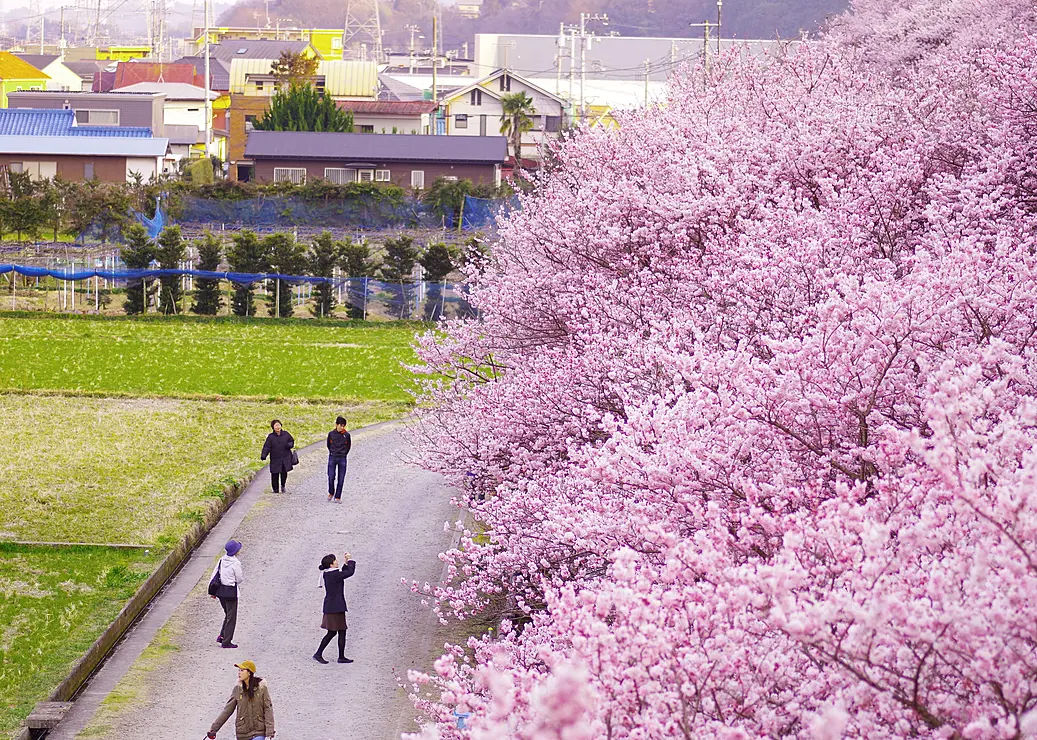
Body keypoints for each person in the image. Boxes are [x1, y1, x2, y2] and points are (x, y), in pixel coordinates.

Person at [205, 659, 274, 739]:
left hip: (259, 732)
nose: (239, 673)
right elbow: (227, 711)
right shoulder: (237, 689)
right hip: (243, 733)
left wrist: (270, 731)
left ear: (249, 673)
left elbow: (268, 709)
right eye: (239, 670)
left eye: (242, 670)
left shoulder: (262, 689)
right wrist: (214, 729)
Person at [313, 551, 356, 664]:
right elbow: (350, 573)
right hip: (334, 608)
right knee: (333, 632)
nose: (337, 562)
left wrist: (346, 563)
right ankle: (318, 654)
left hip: (334, 607)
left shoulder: (329, 574)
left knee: (341, 631)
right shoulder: (334, 575)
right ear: (331, 565)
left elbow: (343, 573)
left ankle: (341, 656)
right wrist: (350, 561)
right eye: (335, 561)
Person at [211, 540, 244, 649]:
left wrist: (212, 591)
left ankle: (222, 635)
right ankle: (226, 641)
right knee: (231, 617)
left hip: (221, 591)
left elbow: (215, 573)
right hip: (230, 592)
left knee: (227, 614)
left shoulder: (221, 560)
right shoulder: (235, 563)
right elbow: (239, 579)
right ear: (235, 551)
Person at [260, 420, 295, 494]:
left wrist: (289, 445)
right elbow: (267, 446)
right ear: (273, 427)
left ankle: (283, 485)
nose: (278, 427)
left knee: (284, 473)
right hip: (275, 458)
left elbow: (291, 441)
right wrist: (264, 455)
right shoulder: (271, 437)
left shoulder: (286, 434)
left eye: (279, 425)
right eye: (276, 425)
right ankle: (275, 489)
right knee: (274, 474)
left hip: (285, 457)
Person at [326, 416, 351, 503]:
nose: (342, 427)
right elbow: (328, 445)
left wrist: (344, 454)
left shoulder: (347, 435)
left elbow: (348, 447)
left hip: (342, 458)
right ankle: (331, 492)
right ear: (336, 425)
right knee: (331, 476)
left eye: (343, 425)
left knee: (341, 478)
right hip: (332, 457)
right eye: (340, 425)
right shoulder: (331, 434)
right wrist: (332, 452)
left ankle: (338, 496)